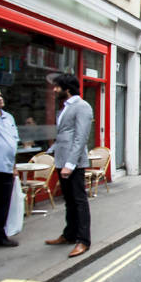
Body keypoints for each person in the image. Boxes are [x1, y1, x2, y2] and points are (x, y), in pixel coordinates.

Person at [45, 74, 93, 258]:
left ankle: (83, 240)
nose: (54, 90)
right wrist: (53, 150)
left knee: (79, 201)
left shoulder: (82, 107)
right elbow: (64, 134)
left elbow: (80, 138)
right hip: (62, 160)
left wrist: (70, 164)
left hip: (73, 163)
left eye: (57, 87)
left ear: (67, 88)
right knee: (70, 201)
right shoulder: (65, 108)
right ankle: (69, 234)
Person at [0, 86, 20, 247]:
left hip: (6, 168)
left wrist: (13, 166)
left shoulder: (9, 117)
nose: (0, 99)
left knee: (1, 207)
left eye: (0, 96)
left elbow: (13, 142)